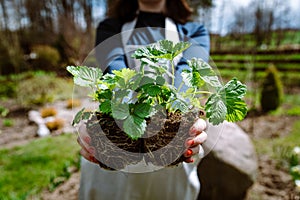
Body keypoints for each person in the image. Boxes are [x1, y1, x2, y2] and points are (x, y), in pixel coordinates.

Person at [78, 0, 210, 199]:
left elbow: (187, 75)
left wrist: (174, 121)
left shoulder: (194, 31)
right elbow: (115, 70)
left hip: (172, 151)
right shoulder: (110, 27)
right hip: (118, 138)